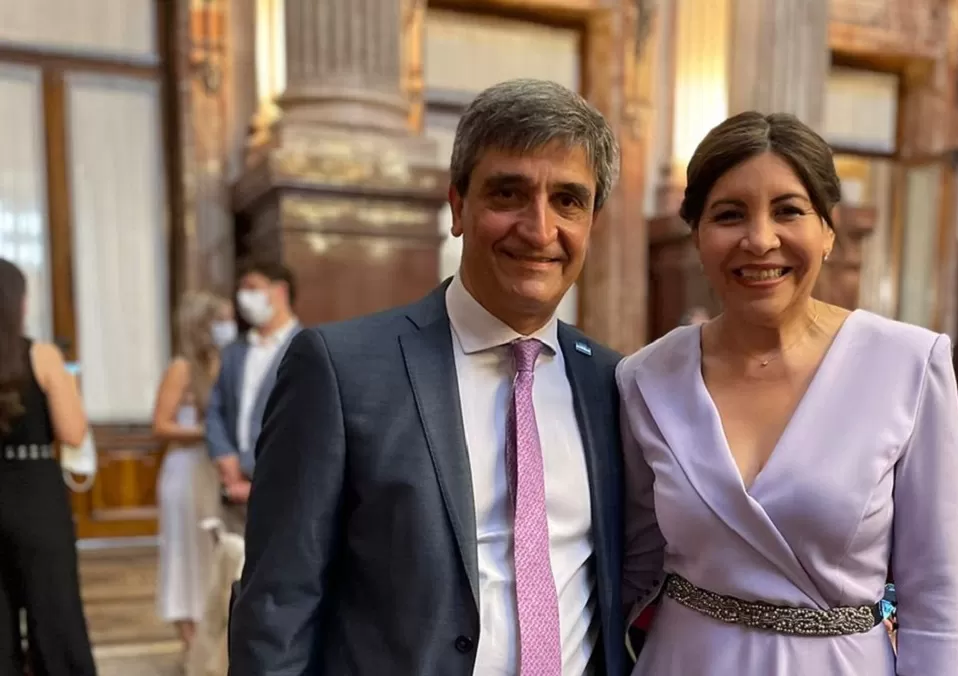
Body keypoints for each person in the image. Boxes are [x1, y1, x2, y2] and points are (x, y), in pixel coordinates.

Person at [229, 79, 628, 676]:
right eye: (508, 193)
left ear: (592, 221)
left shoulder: (613, 383)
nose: (540, 229)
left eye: (568, 200)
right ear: (458, 207)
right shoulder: (339, 371)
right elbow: (277, 607)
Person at [619, 112, 958, 674]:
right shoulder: (645, 378)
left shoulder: (909, 363)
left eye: (789, 211)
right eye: (730, 215)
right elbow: (633, 564)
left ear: (829, 231)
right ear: (698, 237)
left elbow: (937, 603)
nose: (760, 239)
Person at [0, 259, 96, 675]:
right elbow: (73, 432)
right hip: (35, 494)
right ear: (19, 303)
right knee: (53, 615)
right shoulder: (42, 355)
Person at [151, 291, 234, 654]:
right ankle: (191, 643)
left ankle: (215, 640)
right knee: (186, 553)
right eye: (222, 319)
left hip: (219, 469)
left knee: (218, 553)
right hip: (187, 472)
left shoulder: (229, 361)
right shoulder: (182, 367)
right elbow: (161, 425)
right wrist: (210, 432)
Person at [205, 261, 300, 535]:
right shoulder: (234, 350)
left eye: (253, 288)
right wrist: (224, 455)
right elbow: (215, 408)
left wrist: (267, 478)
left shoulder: (307, 345)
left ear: (280, 291)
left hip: (282, 484)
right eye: (241, 289)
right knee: (233, 567)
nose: (244, 297)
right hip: (232, 483)